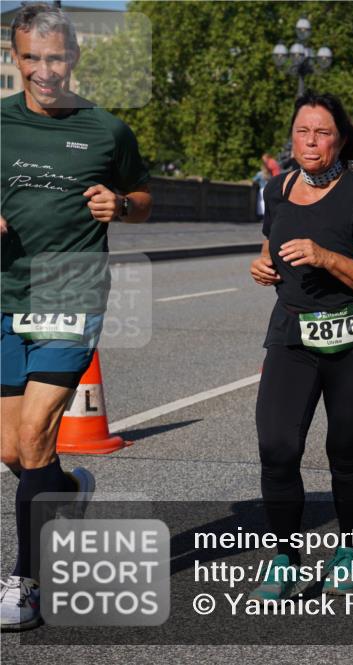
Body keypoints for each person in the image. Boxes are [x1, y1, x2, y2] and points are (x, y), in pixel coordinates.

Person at [1, 3, 152, 632]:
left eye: (56, 57)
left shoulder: (107, 130)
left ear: (75, 58)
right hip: (3, 293)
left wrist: (122, 204)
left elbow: (143, 197)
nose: (44, 70)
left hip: (70, 288)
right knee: (13, 447)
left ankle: (27, 581)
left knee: (38, 430)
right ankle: (65, 490)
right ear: (15, 58)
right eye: (31, 57)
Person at [248, 91, 353, 599]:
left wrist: (325, 256)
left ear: (341, 139)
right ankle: (285, 556)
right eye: (303, 132)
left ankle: (348, 548)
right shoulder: (278, 188)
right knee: (277, 447)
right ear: (292, 137)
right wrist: (263, 266)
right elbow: (271, 244)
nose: (311, 142)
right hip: (293, 332)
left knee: (345, 450)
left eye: (323, 133)